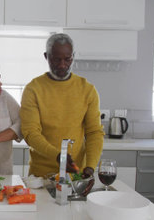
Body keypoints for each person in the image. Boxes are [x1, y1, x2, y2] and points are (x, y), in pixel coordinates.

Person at [20, 33, 104, 194]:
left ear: (73, 57)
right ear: (46, 57)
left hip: (76, 176)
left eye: (67, 59)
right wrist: (59, 156)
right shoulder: (34, 89)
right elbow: (30, 133)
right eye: (56, 59)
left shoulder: (87, 89)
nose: (62, 65)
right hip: (41, 177)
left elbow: (94, 132)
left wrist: (90, 167)